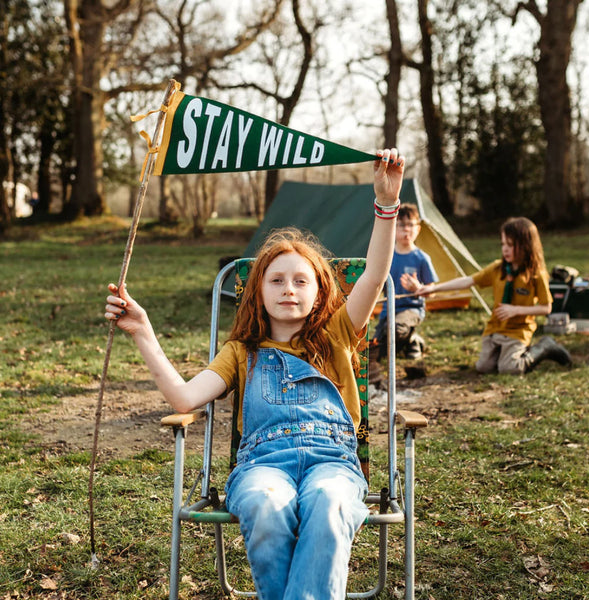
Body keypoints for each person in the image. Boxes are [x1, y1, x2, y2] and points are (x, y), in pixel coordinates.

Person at [104, 148, 406, 599]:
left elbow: (376, 274)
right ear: (256, 292)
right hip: (262, 466)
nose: (289, 289)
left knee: (328, 504)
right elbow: (185, 399)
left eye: (301, 281)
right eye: (276, 280)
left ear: (321, 291)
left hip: (333, 463)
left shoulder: (339, 332)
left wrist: (386, 204)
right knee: (266, 506)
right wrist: (144, 332)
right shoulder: (240, 352)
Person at [408, 216, 571, 375]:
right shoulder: (498, 269)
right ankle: (504, 354)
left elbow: (546, 307)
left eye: (511, 245)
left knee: (511, 369)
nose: (505, 249)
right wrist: (433, 289)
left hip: (518, 331)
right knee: (484, 368)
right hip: (495, 329)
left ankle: (545, 346)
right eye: (503, 244)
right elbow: (468, 281)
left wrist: (516, 310)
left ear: (526, 246)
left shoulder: (536, 275)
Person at [372, 204, 438, 362]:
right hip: (388, 310)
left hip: (411, 310)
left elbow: (432, 290)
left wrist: (419, 288)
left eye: (410, 225)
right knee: (377, 348)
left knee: (395, 330)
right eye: (401, 225)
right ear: (393, 228)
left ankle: (413, 340)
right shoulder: (386, 256)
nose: (406, 230)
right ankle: (408, 343)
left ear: (418, 229)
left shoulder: (421, 258)